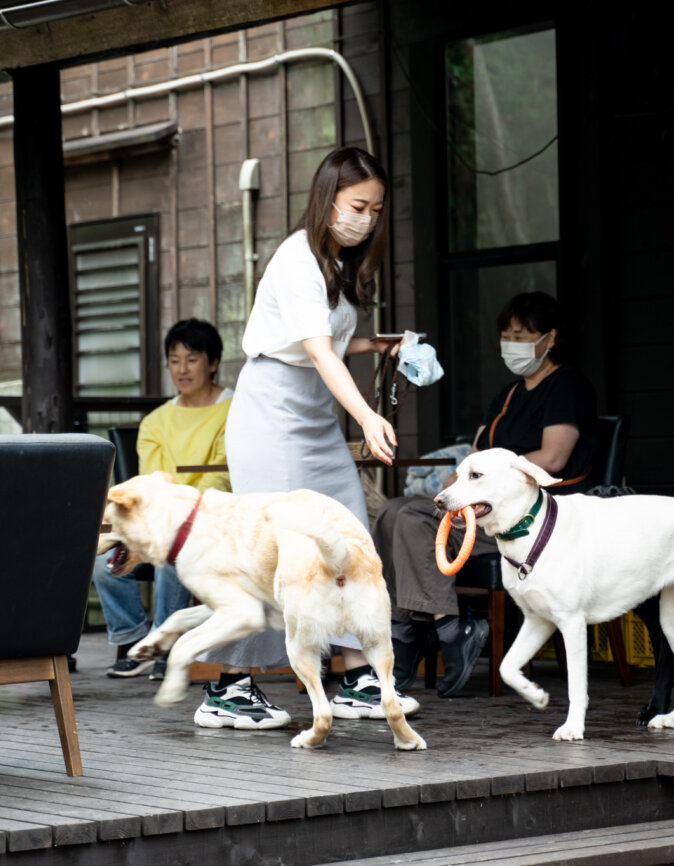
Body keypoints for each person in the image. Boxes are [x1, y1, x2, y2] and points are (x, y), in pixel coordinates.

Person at [193, 145, 420, 730]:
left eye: (375, 210)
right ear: (328, 200)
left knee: (348, 539)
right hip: (272, 416)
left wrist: (375, 345)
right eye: (357, 206)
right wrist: (367, 417)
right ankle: (228, 687)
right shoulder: (297, 259)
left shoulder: (339, 263)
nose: (366, 219)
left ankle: (354, 676)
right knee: (274, 551)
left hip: (314, 415)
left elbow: (326, 343)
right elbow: (316, 352)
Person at [373, 291, 598, 697]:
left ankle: (438, 631)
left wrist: (487, 479)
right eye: (506, 336)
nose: (511, 344)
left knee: (412, 520)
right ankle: (419, 628)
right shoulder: (507, 396)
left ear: (550, 339)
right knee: (392, 511)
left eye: (521, 336)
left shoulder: (567, 387)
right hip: (484, 508)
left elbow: (554, 457)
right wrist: (462, 480)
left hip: (529, 518)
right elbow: (476, 453)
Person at [93, 318, 232, 681]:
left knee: (175, 549)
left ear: (213, 362)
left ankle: (164, 644)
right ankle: (133, 638)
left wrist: (179, 512)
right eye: (174, 360)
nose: (182, 369)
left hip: (212, 521)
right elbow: (150, 485)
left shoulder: (235, 411)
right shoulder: (155, 422)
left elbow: (222, 477)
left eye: (192, 359)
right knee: (101, 561)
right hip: (159, 520)